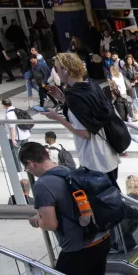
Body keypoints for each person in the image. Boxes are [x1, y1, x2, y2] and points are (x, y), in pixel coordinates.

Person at [21, 142, 129, 275]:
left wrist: (37, 221)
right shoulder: (68, 170)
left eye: (26, 167)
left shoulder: (43, 185)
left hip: (79, 247)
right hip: (102, 237)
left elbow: (51, 223)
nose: (28, 171)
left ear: (30, 163)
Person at [44, 53, 120, 184]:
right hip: (108, 152)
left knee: (106, 199)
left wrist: (58, 118)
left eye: (56, 69)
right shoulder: (91, 84)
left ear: (65, 70)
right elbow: (87, 112)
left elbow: (85, 133)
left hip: (95, 159)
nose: (55, 72)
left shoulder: (75, 97)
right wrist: (63, 98)